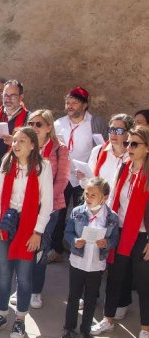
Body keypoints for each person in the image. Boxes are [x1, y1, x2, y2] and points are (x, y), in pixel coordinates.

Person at [0, 127, 53, 338]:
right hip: (7, 222)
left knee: (23, 276)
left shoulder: (43, 166)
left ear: (33, 145)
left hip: (28, 225)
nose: (16, 145)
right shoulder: (7, 162)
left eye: (22, 141)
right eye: (14, 141)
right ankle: (1, 314)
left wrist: (37, 233)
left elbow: (47, 204)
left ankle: (20, 319)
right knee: (4, 273)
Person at [91, 125, 149, 338]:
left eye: (134, 144)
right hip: (120, 231)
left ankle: (145, 330)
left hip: (143, 236)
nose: (128, 148)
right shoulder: (124, 168)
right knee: (115, 276)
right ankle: (109, 318)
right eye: (127, 143)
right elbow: (114, 197)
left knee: (144, 284)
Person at [50, 87, 109, 264]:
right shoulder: (58, 123)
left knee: (83, 216)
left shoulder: (95, 123)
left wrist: (92, 173)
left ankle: (80, 250)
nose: (70, 106)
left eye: (74, 103)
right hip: (63, 176)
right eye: (68, 102)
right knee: (58, 214)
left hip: (84, 179)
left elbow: (102, 149)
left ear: (85, 105)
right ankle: (56, 249)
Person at [62, 177, 119, 338]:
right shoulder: (78, 212)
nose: (88, 197)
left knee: (91, 298)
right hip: (78, 261)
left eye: (93, 195)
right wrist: (75, 241)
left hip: (96, 264)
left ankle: (86, 331)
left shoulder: (111, 217)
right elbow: (68, 232)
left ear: (104, 197)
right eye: (87, 193)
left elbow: (114, 238)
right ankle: (69, 328)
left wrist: (106, 243)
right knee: (73, 296)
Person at [23, 110, 69, 309]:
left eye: (38, 124)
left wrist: (44, 201)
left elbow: (62, 180)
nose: (34, 128)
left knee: (41, 249)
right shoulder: (25, 145)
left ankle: (35, 290)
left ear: (49, 127)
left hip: (49, 208)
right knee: (24, 247)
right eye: (31, 123)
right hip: (25, 206)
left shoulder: (59, 149)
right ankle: (23, 286)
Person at [0, 79, 28, 170]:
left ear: (21, 96)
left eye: (13, 95)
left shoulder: (28, 118)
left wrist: (15, 142)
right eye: (6, 95)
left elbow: (31, 146)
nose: (8, 99)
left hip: (15, 167)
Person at [84, 114, 133, 196]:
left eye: (119, 131)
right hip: (98, 205)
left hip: (120, 207)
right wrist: (82, 177)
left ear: (128, 134)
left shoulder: (133, 156)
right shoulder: (98, 151)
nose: (113, 134)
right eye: (111, 130)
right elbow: (88, 181)